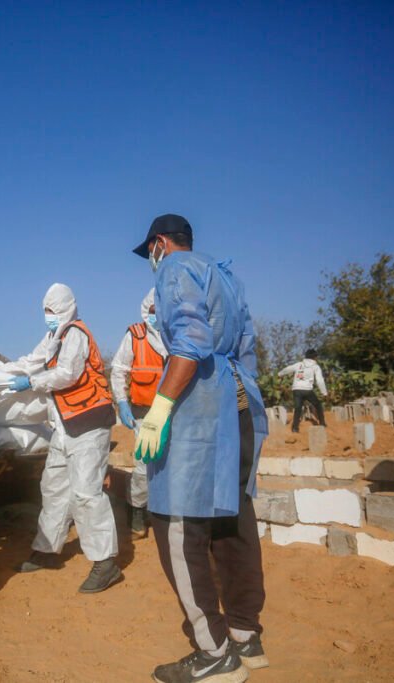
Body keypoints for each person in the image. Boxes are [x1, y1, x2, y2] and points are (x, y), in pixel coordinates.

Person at [131, 214, 269, 683]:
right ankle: (245, 633)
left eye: (150, 251)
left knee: (176, 522)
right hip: (238, 405)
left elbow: (190, 341)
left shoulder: (175, 268)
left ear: (160, 243)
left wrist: (161, 407)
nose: (151, 260)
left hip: (201, 409)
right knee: (233, 517)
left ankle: (214, 653)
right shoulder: (225, 276)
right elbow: (247, 347)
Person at [0, 283, 122, 594]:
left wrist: (31, 382)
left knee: (86, 493)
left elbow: (67, 374)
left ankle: (105, 562)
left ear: (67, 308)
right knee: (54, 487)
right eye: (45, 310)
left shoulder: (76, 334)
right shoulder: (54, 337)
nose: (48, 316)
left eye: (53, 310)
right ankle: (46, 549)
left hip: (89, 423)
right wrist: (1, 372)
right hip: (65, 425)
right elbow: (32, 360)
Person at [110, 288, 167, 539]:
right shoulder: (135, 335)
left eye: (160, 310)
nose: (156, 315)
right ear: (146, 310)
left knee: (172, 465)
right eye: (152, 311)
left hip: (174, 413)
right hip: (144, 413)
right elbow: (119, 370)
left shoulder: (177, 334)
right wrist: (122, 402)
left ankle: (166, 514)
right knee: (144, 466)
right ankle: (136, 513)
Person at [277, 348, 328, 432]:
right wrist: (324, 392)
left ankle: (295, 428)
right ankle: (322, 423)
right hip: (308, 390)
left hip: (296, 389)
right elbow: (319, 380)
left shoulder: (299, 364)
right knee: (318, 405)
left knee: (298, 408)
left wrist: (280, 374)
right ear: (315, 357)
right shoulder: (315, 367)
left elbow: (288, 369)